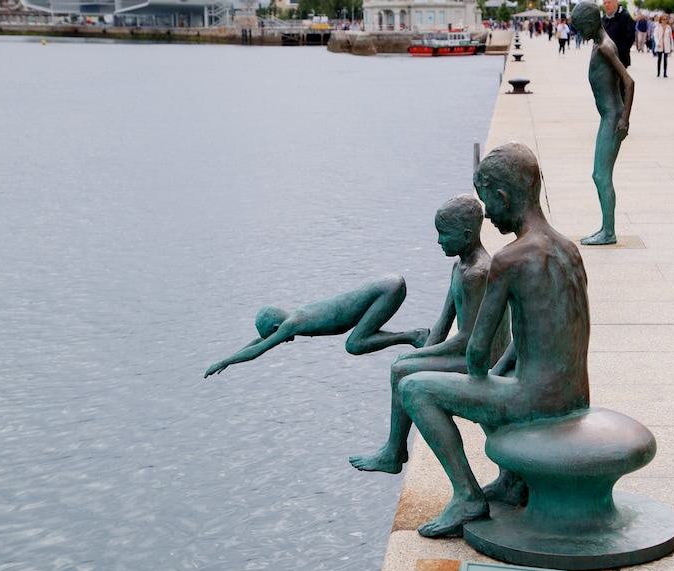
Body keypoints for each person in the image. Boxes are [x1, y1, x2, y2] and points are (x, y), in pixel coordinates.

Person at [399, 141, 592, 538]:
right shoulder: (569, 250)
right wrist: (503, 370)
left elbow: (475, 354)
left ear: (503, 198)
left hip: (538, 400)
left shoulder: (509, 259)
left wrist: (481, 377)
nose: (487, 212)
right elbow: (543, 334)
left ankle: (466, 494)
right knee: (496, 377)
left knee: (414, 388)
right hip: (574, 395)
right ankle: (510, 480)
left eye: (488, 203)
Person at [349, 195, 510, 475]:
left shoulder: (477, 273)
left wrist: (419, 355)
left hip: (484, 360)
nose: (439, 241)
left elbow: (467, 338)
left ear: (466, 235)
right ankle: (393, 450)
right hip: (468, 352)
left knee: (402, 369)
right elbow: (443, 322)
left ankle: (394, 452)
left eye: (444, 234)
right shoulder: (459, 267)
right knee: (402, 365)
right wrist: (418, 353)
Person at [203, 276, 429, 378]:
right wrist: (229, 356)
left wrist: (225, 362)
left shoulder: (292, 324)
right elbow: (261, 342)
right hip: (387, 284)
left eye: (276, 334)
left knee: (354, 344)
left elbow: (259, 350)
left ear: (276, 326)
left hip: (387, 290)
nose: (282, 339)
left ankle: (414, 336)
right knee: (357, 340)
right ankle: (413, 336)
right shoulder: (295, 315)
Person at [570, 1, 634, 246]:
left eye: (579, 27)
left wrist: (624, 119)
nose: (577, 33)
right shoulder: (599, 45)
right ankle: (605, 228)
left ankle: (609, 232)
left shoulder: (605, 48)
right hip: (607, 117)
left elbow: (629, 82)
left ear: (590, 23)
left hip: (612, 119)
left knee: (602, 176)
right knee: (598, 174)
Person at [602, 0, 636, 67]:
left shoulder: (625, 16)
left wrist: (619, 51)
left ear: (616, 2)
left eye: (609, 2)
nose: (606, 5)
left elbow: (630, 37)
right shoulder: (603, 19)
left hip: (620, 60)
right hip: (605, 60)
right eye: (604, 3)